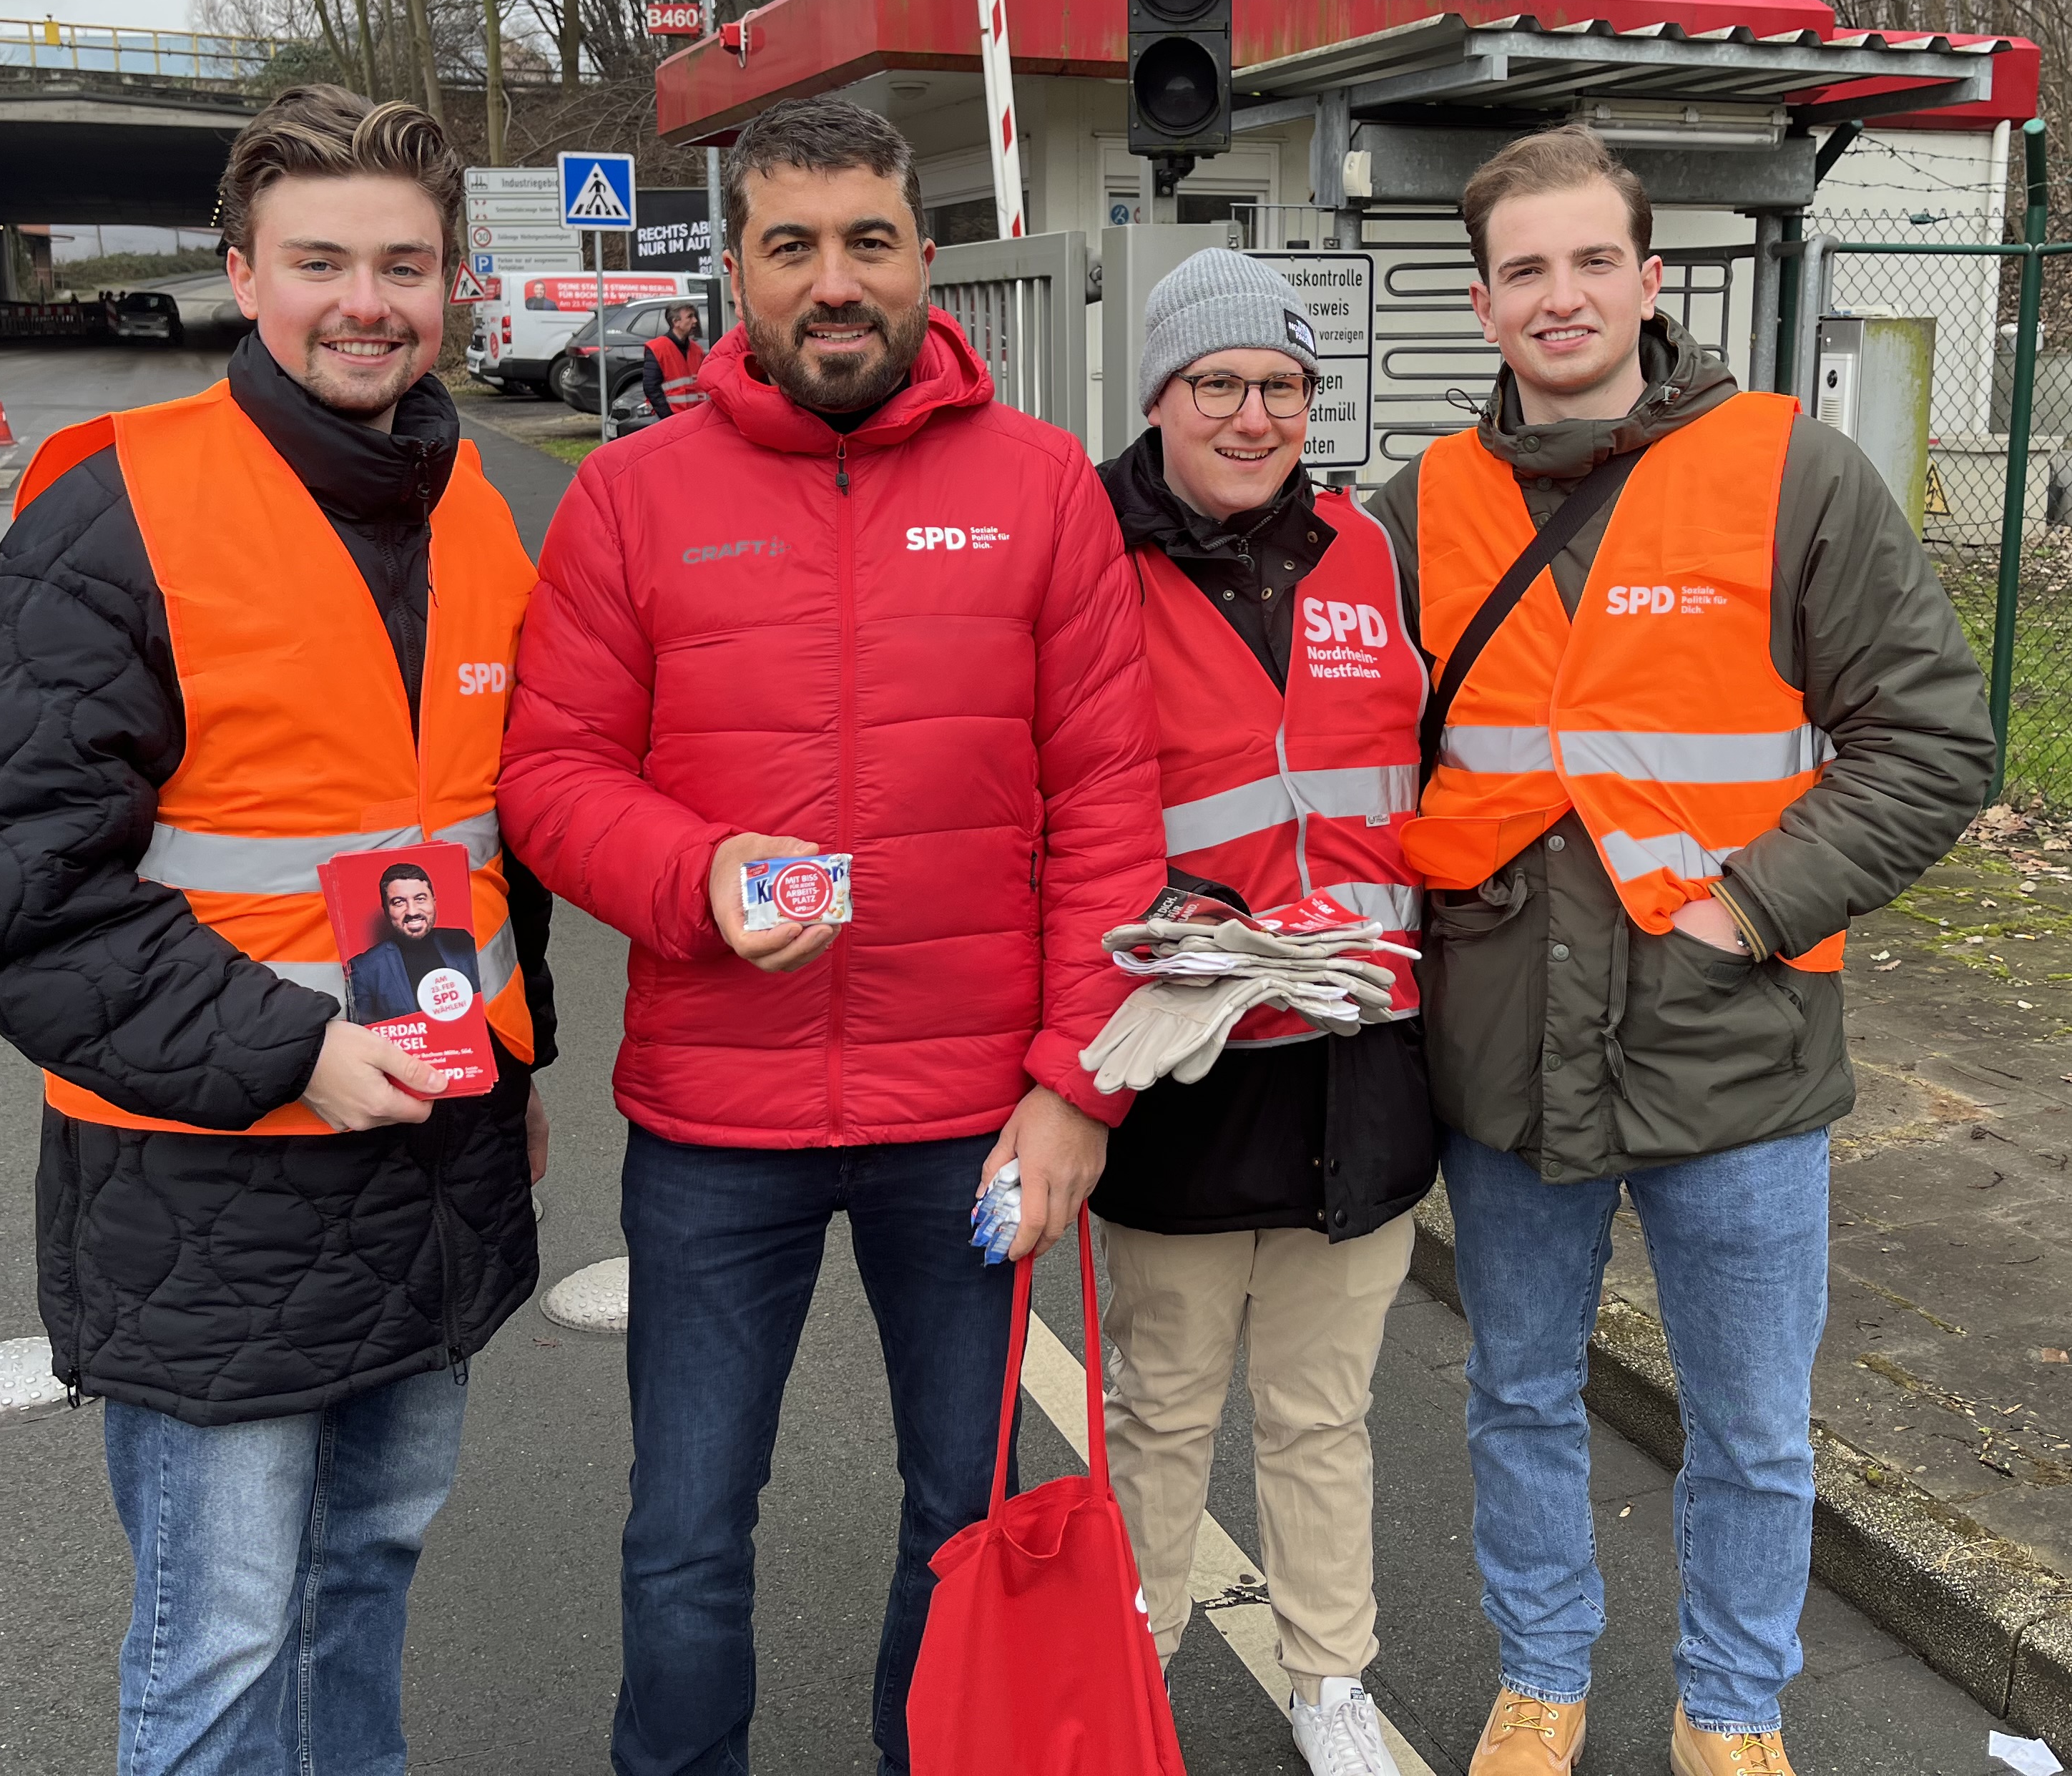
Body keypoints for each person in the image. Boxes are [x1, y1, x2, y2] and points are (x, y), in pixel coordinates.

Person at [497, 95, 1162, 1775]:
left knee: (967, 1514)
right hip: (721, 1125)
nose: (834, 280)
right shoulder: (633, 499)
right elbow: (552, 776)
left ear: (927, 261)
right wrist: (697, 874)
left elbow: (1108, 807)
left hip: (977, 1121)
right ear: (737, 272)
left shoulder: (1042, 493)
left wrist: (1081, 1085)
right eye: (791, 246)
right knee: (686, 1529)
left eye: (868, 241)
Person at [0, 84, 559, 1776]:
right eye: (323, 261)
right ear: (243, 275)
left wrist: (526, 1059)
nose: (369, 301)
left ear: (453, 289)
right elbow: (23, 898)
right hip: (211, 1182)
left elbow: (489, 839)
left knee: (366, 1575)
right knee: (216, 1646)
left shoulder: (482, 512)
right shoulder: (114, 511)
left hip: (433, 1146)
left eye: (407, 265)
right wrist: (298, 1051)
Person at [1366, 124, 1994, 1776]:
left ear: (1653, 280)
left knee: (1754, 1433)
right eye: (1524, 271)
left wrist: (1758, 903)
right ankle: (1544, 1676)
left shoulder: (1792, 471)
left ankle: (1731, 1708)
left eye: (1592, 262)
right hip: (1501, 1051)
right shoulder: (1415, 507)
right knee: (1514, 1393)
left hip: (1738, 1040)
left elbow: (1932, 740)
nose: (1559, 296)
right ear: (1484, 305)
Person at [1091, 250, 1435, 1775]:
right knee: (1161, 1411)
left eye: (1281, 387)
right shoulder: (1085, 555)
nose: (1251, 414)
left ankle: (1328, 1680)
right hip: (1182, 1059)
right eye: (1217, 384)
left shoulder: (1372, 547)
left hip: (1357, 1062)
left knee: (1320, 1412)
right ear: (1158, 393)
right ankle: (1132, 1666)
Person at [345, 862, 480, 1023]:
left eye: (420, 899)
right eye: (399, 902)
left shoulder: (463, 942)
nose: (412, 911)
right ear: (386, 909)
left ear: (434, 901)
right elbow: (362, 1038)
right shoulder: (365, 969)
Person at [642, 298, 710, 416]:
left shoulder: (697, 350)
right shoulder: (658, 348)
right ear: (676, 322)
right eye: (690, 317)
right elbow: (651, 387)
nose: (695, 321)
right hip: (672, 417)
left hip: (695, 417)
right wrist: (667, 416)